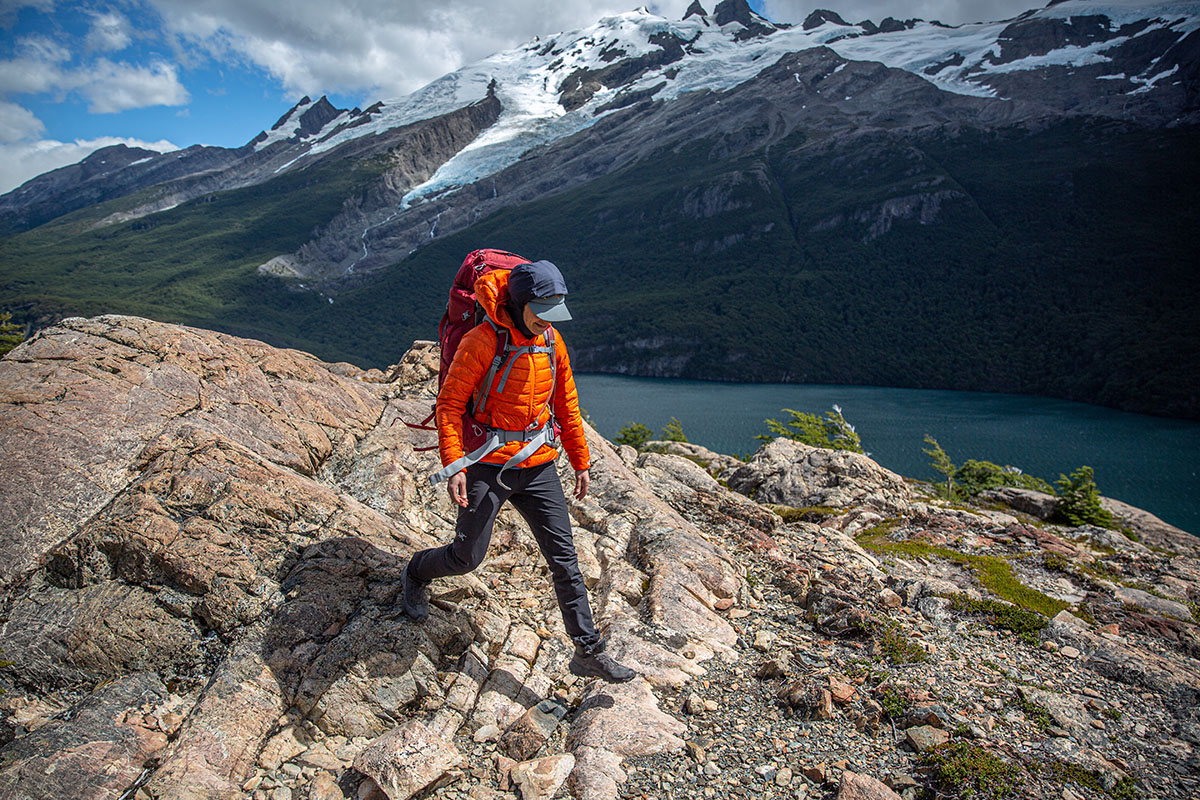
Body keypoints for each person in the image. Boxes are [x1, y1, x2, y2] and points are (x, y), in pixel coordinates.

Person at [403, 259, 635, 684]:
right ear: (520, 302)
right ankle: (417, 569)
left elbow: (566, 403)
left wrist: (580, 460)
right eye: (542, 310)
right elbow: (450, 406)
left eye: (555, 311)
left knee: (564, 558)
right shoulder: (481, 341)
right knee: (466, 557)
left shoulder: (551, 340)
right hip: (487, 464)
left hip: (539, 463)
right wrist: (454, 464)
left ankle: (588, 650)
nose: (548, 321)